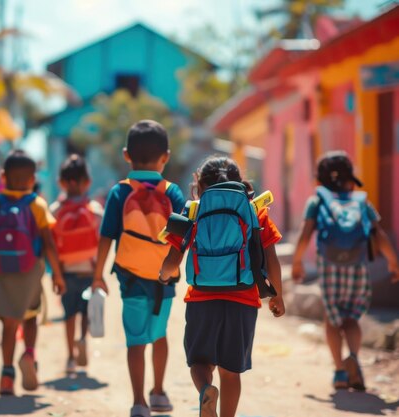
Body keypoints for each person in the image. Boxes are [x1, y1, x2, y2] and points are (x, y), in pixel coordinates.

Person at [159, 156, 285, 417]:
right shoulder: (255, 210)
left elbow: (173, 260)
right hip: (243, 299)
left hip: (201, 300)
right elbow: (271, 257)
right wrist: (278, 296)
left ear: (199, 184)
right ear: (240, 182)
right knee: (231, 371)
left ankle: (206, 389)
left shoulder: (193, 211)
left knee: (199, 362)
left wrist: (163, 275)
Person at [92, 120, 186, 417]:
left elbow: (106, 236)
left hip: (131, 278)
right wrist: (174, 268)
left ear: (126, 155)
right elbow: (183, 236)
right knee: (159, 336)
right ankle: (158, 392)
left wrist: (97, 276)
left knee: (135, 340)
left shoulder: (120, 192)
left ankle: (138, 403)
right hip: (164, 278)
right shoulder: (173, 192)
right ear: (166, 157)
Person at [292, 151, 398, 391]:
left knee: (332, 319)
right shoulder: (360, 201)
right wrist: (393, 262)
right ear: (350, 176)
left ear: (320, 179)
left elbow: (305, 233)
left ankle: (340, 372)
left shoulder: (317, 201)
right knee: (351, 318)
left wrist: (297, 262)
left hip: (329, 266)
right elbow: (378, 234)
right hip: (357, 265)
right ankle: (354, 358)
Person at [0, 150, 66, 396]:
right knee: (31, 316)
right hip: (30, 270)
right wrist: (57, 274)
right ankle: (30, 355)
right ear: (33, 178)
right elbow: (48, 243)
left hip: (2, 271)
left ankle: (6, 375)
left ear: (3, 176)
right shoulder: (36, 204)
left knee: (9, 324)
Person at [50, 154, 103, 374]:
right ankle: (83, 339)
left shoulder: (54, 211)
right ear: (87, 182)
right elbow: (103, 243)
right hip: (89, 270)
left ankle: (70, 356)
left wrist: (56, 274)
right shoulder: (95, 211)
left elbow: (50, 247)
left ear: (61, 183)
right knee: (85, 314)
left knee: (68, 315)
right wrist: (99, 274)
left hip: (66, 272)